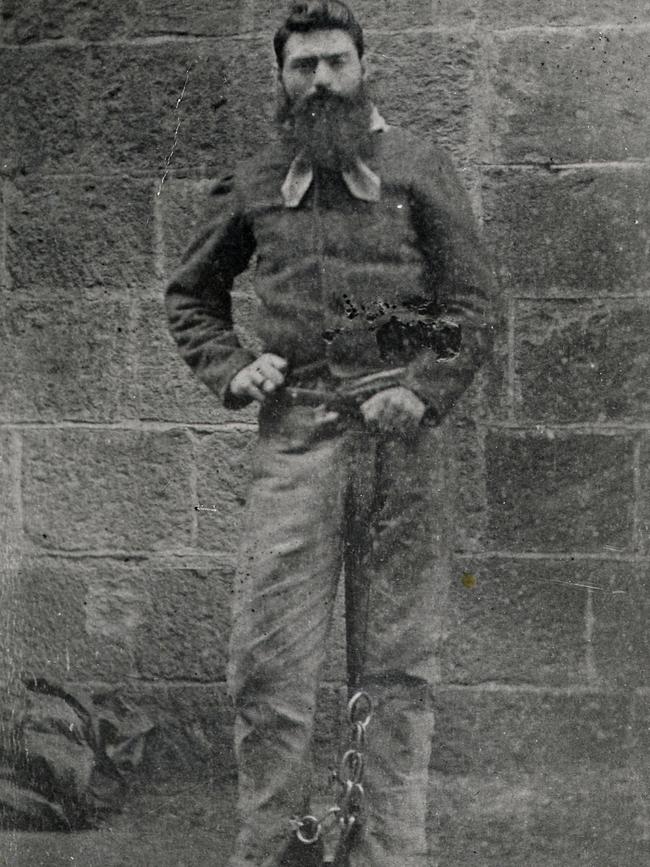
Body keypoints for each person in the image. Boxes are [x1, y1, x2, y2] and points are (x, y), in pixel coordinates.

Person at [165, 3, 493, 865]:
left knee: (398, 668)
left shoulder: (420, 167)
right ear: (280, 77)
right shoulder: (254, 179)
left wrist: (422, 391)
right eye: (302, 65)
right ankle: (272, 848)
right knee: (267, 667)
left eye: (335, 62)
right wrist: (233, 368)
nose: (320, 80)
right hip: (298, 437)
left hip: (403, 446)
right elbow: (190, 297)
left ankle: (391, 852)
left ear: (362, 66)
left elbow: (469, 307)